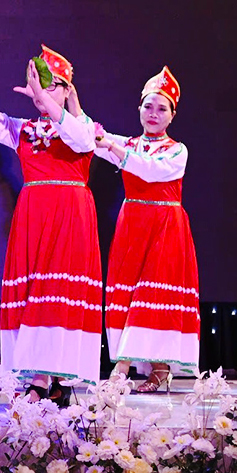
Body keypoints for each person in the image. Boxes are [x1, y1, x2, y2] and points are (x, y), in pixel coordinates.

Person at [0, 30, 102, 403]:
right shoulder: (25, 130)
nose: (43, 92)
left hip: (69, 215)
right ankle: (39, 377)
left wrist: (48, 100)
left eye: (52, 85)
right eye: (40, 85)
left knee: (57, 289)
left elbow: (83, 141)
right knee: (33, 292)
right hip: (34, 214)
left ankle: (54, 376)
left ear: (67, 90)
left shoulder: (80, 125)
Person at [93, 66, 198, 392]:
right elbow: (92, 139)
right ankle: (160, 369)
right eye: (148, 106)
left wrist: (112, 147)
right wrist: (72, 108)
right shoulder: (129, 143)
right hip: (132, 226)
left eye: (161, 108)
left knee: (152, 293)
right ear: (139, 109)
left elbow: (149, 172)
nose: (153, 114)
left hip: (166, 228)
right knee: (131, 292)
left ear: (172, 115)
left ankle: (122, 369)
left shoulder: (176, 151)